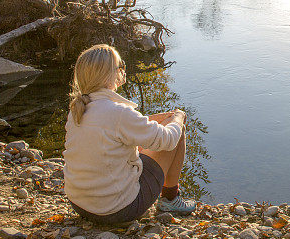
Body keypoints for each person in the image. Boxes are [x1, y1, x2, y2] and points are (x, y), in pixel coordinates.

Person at [63, 44, 196, 223]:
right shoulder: (118, 113)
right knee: (177, 133)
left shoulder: (77, 110)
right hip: (116, 210)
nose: (123, 70)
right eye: (120, 66)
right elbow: (168, 140)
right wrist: (179, 117)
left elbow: (115, 128)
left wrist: (159, 119)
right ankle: (170, 199)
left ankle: (168, 199)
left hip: (80, 205)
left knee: (160, 130)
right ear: (108, 75)